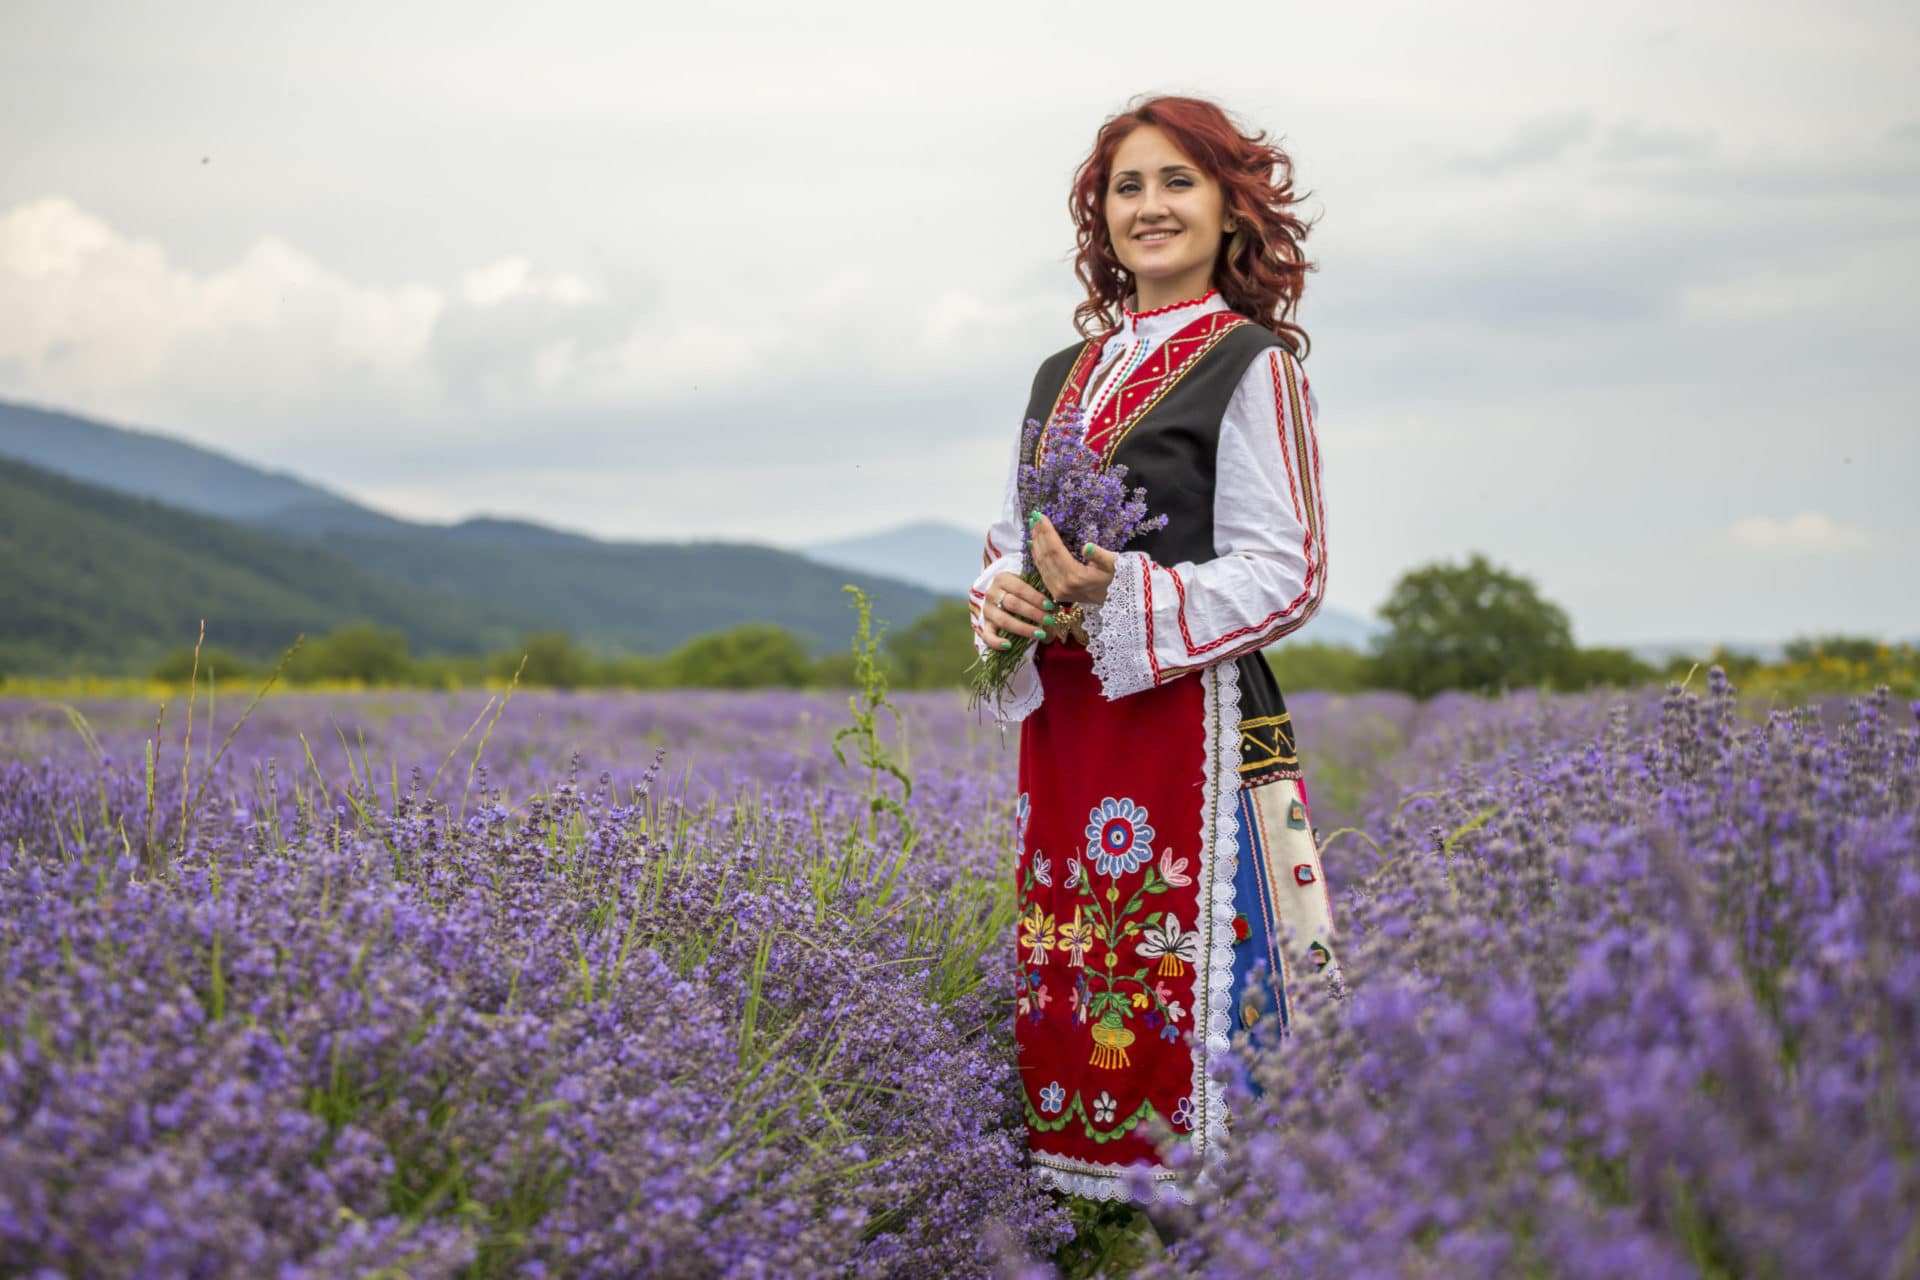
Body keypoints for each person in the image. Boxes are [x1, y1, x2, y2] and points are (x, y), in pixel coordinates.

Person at [969, 94, 1340, 1206]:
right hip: (1075, 733)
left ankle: (1245, 1228)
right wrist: (1009, 601)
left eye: (1178, 181)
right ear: (1102, 217)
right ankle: (1093, 1223)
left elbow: (1291, 568)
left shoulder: (1251, 363)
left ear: (1233, 211)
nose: (1151, 206)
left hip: (1200, 727)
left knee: (1217, 1026)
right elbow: (1005, 540)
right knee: (1086, 976)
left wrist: (1123, 593)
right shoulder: (1056, 378)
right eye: (1127, 186)